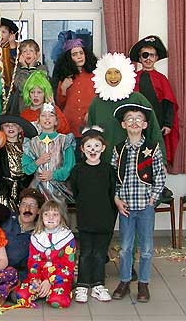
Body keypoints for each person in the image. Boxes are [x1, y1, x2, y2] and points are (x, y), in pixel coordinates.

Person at [110, 104, 166, 303]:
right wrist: (116, 199)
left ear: (144, 124)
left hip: (145, 206)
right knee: (125, 247)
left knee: (147, 247)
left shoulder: (152, 148)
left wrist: (154, 197)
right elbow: (114, 177)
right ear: (124, 124)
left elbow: (160, 174)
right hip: (125, 207)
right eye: (130, 118)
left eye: (138, 118)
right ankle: (125, 280)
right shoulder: (118, 149)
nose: (134, 122)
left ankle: (143, 283)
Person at [87, 52, 167, 164]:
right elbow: (90, 136)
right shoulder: (96, 103)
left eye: (117, 72)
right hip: (103, 165)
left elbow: (153, 131)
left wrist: (161, 161)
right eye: (109, 73)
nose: (113, 77)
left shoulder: (138, 99)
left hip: (135, 164)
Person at [70, 126, 117, 303]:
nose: (93, 150)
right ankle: (82, 285)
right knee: (85, 253)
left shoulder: (108, 170)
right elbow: (76, 192)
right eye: (89, 146)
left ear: (103, 148)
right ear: (82, 149)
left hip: (104, 220)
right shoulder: (77, 170)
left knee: (99, 253)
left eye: (97, 146)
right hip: (85, 220)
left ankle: (98, 284)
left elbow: (112, 194)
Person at [15, 198, 76, 309]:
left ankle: (58, 290)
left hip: (59, 277)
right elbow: (33, 262)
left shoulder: (67, 237)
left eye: (55, 214)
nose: (51, 218)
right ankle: (43, 291)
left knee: (57, 301)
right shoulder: (36, 236)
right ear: (41, 217)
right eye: (46, 214)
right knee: (21, 297)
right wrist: (36, 279)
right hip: (40, 277)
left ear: (61, 218)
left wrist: (50, 281)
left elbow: (68, 265)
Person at [129, 35, 179, 165]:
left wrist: (168, 124)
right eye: (145, 55)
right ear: (140, 58)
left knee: (156, 155)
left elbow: (169, 103)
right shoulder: (132, 78)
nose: (148, 58)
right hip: (136, 124)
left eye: (152, 55)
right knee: (137, 155)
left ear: (156, 58)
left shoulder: (162, 79)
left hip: (158, 123)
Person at [22, 103, 76, 204]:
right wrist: (37, 162)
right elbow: (26, 169)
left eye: (51, 115)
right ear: (38, 120)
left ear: (56, 121)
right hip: (37, 191)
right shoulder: (32, 143)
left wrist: (54, 175)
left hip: (59, 191)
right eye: (43, 115)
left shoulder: (64, 141)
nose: (47, 119)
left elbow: (69, 167)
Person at [0, 114, 38, 212]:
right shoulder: (1, 146)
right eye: (6, 125)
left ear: (20, 129)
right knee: (4, 213)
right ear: (2, 129)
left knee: (22, 212)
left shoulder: (26, 146)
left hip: (23, 187)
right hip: (4, 188)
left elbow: (30, 167)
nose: (10, 127)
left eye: (14, 125)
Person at [55, 39, 98, 156]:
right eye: (74, 54)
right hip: (70, 127)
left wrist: (92, 112)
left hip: (90, 127)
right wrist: (63, 89)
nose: (79, 56)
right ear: (69, 58)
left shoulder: (96, 76)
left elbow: (101, 99)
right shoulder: (64, 77)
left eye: (81, 53)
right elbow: (60, 104)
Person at [6, 39, 50, 115]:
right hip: (21, 110)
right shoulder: (17, 70)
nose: (28, 53)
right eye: (25, 51)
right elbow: (23, 86)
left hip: (39, 110)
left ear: (36, 54)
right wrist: (25, 68)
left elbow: (35, 86)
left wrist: (31, 67)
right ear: (20, 55)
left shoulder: (42, 68)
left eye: (31, 51)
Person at [20, 70, 70, 134]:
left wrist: (52, 109)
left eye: (39, 92)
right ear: (28, 94)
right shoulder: (24, 114)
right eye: (32, 92)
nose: (35, 95)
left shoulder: (53, 109)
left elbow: (65, 130)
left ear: (45, 93)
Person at [0, 17, 19, 90]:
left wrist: (12, 47)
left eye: (3, 32)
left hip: (15, 88)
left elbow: (18, 64)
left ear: (11, 33)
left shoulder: (18, 46)